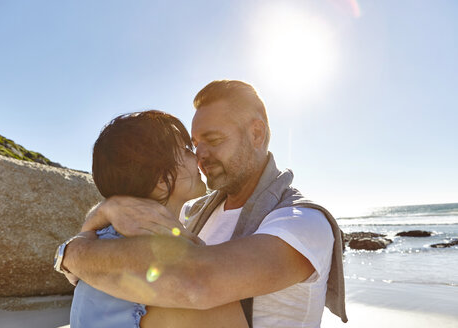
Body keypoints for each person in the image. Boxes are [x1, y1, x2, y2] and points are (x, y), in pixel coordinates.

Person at [58, 80, 348, 327]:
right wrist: (108, 208)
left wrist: (71, 252)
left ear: (257, 134)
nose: (200, 155)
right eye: (193, 145)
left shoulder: (302, 223)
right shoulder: (189, 215)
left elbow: (197, 281)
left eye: (213, 140)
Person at [60, 110, 248, 328]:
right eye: (186, 150)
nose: (197, 156)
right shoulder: (165, 255)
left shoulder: (100, 242)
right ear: (162, 179)